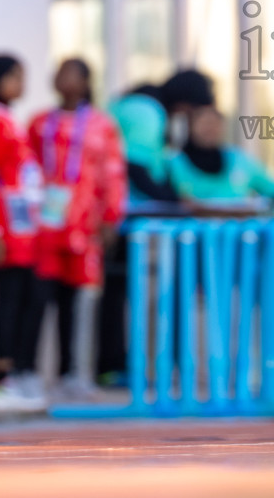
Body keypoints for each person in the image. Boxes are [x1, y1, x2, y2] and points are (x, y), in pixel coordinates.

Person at [25, 59, 128, 399]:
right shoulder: (39, 124)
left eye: (72, 73)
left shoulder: (101, 125)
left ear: (86, 82)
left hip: (84, 225)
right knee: (38, 296)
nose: (64, 79)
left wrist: (111, 217)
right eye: (60, 73)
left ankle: (72, 370)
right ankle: (28, 369)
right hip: (44, 224)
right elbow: (24, 169)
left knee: (77, 299)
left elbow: (112, 173)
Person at [0, 55, 47, 412]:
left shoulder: (5, 119)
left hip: (23, 226)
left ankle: (19, 369)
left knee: (29, 296)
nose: (23, 84)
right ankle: (3, 375)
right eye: (17, 77)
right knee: (10, 297)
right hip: (6, 227)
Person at [95, 85, 179, 387]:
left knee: (115, 291)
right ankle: (117, 365)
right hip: (127, 216)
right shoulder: (148, 110)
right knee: (121, 291)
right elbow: (135, 165)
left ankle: (114, 364)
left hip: (113, 213)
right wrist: (173, 200)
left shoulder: (124, 105)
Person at [167, 105, 274, 203]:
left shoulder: (239, 159)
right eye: (204, 123)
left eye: (214, 124)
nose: (209, 129)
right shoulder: (173, 162)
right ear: (191, 127)